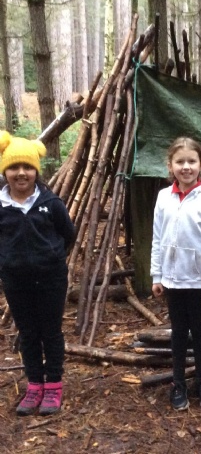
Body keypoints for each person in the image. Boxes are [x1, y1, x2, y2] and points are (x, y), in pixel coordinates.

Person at [0, 131, 75, 416]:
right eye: (14, 167)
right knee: (28, 332)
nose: (21, 173)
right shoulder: (1, 207)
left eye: (27, 167)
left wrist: (51, 257)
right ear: (5, 171)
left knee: (51, 331)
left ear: (36, 170)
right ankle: (34, 384)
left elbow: (68, 235)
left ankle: (53, 383)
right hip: (15, 280)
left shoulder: (50, 203)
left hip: (51, 279)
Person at [150, 137, 201, 411]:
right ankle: (178, 381)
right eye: (180, 161)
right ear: (170, 165)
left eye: (191, 161)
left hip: (199, 281)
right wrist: (157, 275)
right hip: (172, 280)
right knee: (178, 332)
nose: (186, 167)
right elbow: (157, 238)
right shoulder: (164, 197)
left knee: (200, 331)